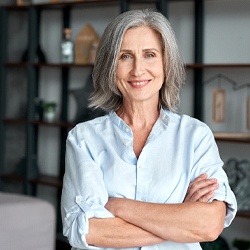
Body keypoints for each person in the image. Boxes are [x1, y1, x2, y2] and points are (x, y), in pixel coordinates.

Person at [61, 9, 237, 250]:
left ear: (166, 63)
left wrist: (118, 206)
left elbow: (209, 225)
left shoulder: (195, 136)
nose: (138, 70)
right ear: (110, 66)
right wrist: (180, 220)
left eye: (150, 55)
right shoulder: (83, 139)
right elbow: (86, 230)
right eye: (125, 56)